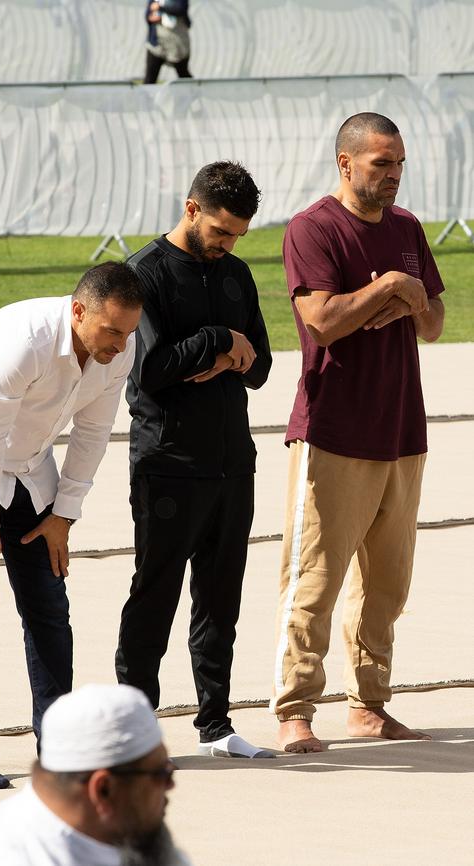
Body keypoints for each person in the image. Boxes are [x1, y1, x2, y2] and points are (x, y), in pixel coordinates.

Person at [0, 263, 144, 790]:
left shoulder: (121, 348)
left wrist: (64, 515)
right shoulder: (23, 339)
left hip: (30, 467)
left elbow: (93, 433)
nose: (119, 344)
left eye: (129, 331)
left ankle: (59, 747)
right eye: (111, 330)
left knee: (48, 607)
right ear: (78, 310)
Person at [272, 112, 445, 753]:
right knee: (313, 579)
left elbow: (433, 321)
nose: (394, 176)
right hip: (334, 432)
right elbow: (320, 320)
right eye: (381, 164)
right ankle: (294, 711)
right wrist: (394, 290)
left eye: (399, 163)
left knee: (388, 584)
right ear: (345, 163)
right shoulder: (313, 229)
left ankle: (369, 706)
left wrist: (404, 295)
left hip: (402, 428)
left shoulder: (406, 229)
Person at [116, 161, 275, 759]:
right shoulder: (145, 274)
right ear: (191, 209)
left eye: (237, 234)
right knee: (154, 593)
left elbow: (259, 366)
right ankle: (134, 729)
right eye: (221, 230)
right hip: (167, 461)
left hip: (233, 461)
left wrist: (235, 353)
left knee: (221, 596)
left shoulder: (236, 274)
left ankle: (215, 724)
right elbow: (150, 373)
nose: (228, 244)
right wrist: (216, 342)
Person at [0, 683, 191, 866]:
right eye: (161, 773)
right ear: (103, 789)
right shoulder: (12, 856)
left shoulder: (121, 829)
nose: (170, 785)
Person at [143, 1, 192, 84]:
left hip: (177, 44)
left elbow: (180, 8)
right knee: (150, 78)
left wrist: (160, 7)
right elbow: (148, 13)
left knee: (184, 76)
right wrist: (151, 17)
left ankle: (195, 94)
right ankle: (145, 96)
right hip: (157, 44)